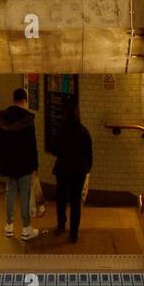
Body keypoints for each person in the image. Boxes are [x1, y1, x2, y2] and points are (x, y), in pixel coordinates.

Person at [0, 87, 40, 240]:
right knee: (25, 195)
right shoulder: (28, 120)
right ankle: (26, 228)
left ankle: (9, 226)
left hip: (9, 162)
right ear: (24, 101)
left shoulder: (3, 118)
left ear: (14, 100)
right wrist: (35, 166)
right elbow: (32, 145)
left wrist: (4, 157)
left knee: (10, 193)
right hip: (25, 163)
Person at [51, 102, 93, 243]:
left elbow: (54, 149)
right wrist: (87, 168)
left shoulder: (61, 131)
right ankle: (74, 233)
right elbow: (89, 153)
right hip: (78, 172)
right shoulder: (84, 132)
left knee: (61, 198)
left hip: (62, 170)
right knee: (75, 202)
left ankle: (61, 224)